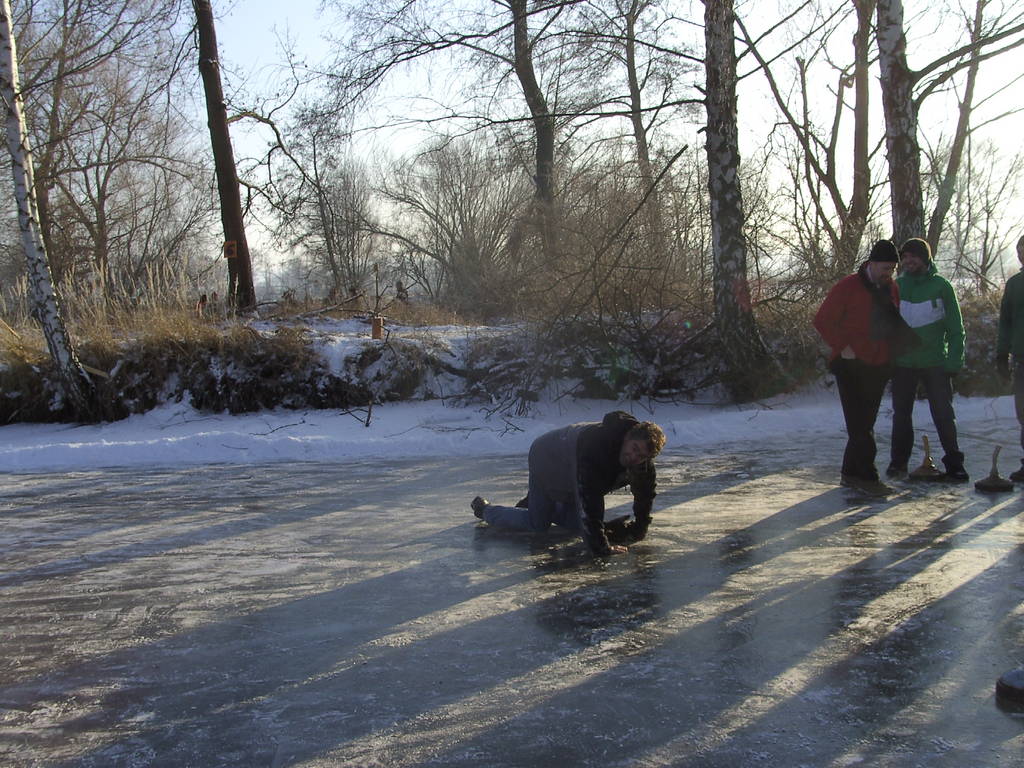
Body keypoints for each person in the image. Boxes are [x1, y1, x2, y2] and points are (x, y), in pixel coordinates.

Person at [470, 411, 665, 557]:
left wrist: (639, 528)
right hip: (547, 457)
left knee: (575, 525)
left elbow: (645, 495)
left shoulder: (642, 465)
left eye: (642, 456)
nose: (634, 457)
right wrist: (600, 547)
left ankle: (538, 500)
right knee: (538, 523)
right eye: (634, 448)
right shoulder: (597, 447)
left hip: (572, 465)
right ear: (627, 437)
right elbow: (589, 497)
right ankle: (485, 509)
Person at [814, 239, 917, 496]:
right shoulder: (848, 286)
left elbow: (892, 324)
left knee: (865, 422)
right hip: (849, 364)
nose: (889, 273)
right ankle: (868, 478)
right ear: (871, 264)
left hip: (878, 364)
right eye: (885, 268)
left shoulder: (891, 288)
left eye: (892, 269)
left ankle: (850, 474)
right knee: (859, 425)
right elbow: (822, 320)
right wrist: (843, 345)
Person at [887, 237, 968, 481]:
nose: (909, 260)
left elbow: (956, 329)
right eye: (906, 256)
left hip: (935, 363)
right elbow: (887, 328)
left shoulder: (942, 286)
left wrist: (954, 362)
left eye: (914, 256)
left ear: (926, 258)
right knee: (901, 415)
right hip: (903, 364)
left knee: (943, 413)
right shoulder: (896, 286)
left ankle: (954, 462)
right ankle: (898, 463)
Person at [996, 235, 1024, 483]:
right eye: (1020, 251)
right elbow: (1005, 321)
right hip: (1022, 358)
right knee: (1023, 412)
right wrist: (1001, 354)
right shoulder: (1015, 284)